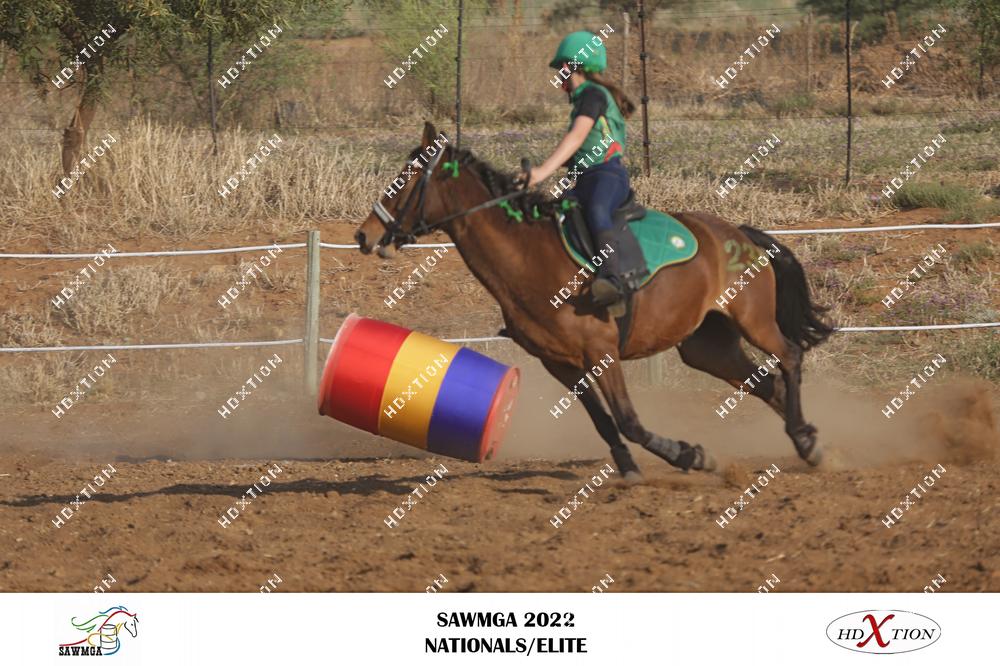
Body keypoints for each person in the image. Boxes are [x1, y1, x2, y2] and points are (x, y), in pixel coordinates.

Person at [522, 30, 637, 308]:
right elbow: (578, 148)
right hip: (584, 179)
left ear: (568, 67)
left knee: (597, 210)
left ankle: (613, 281)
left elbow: (576, 137)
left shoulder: (593, 95)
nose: (559, 78)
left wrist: (541, 172)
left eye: (560, 70)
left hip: (607, 175)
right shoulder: (585, 97)